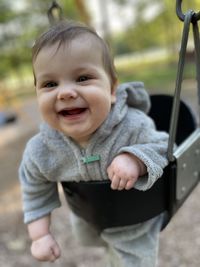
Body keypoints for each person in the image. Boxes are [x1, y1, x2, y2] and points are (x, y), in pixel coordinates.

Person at [19, 20, 169, 266]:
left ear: (111, 89)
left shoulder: (133, 125)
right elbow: (33, 187)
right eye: (50, 84)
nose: (65, 92)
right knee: (97, 244)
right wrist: (40, 235)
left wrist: (135, 158)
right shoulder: (41, 150)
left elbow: (164, 147)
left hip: (135, 219)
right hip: (89, 217)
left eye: (82, 78)